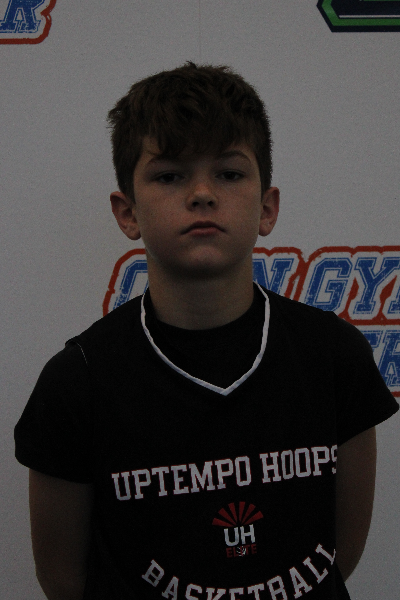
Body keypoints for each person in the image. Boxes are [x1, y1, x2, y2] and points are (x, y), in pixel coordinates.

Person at [15, 61, 398, 600]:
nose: (201, 194)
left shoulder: (333, 355)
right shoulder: (77, 382)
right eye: (170, 175)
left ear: (267, 208)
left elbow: (339, 554)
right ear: (127, 213)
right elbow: (62, 580)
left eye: (229, 174)